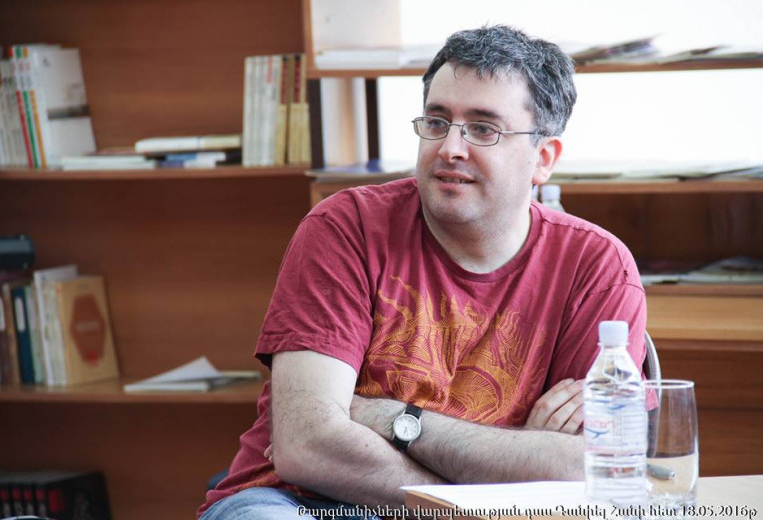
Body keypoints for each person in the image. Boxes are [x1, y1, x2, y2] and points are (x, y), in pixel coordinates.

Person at [198, 24, 646, 520]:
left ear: (542, 159)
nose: (450, 147)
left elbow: (593, 465)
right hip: (302, 502)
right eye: (437, 121)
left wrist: (393, 417)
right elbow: (308, 446)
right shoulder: (345, 227)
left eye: (483, 129)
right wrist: (489, 481)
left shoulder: (596, 267)